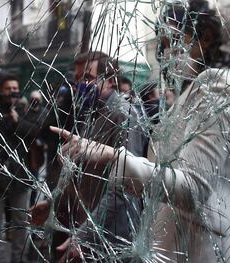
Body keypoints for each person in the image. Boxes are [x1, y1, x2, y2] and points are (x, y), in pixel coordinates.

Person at [50, 0, 230, 262]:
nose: (165, 55)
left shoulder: (218, 84)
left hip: (211, 250)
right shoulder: (191, 94)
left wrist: (113, 157)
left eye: (172, 42)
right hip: (181, 245)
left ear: (204, 38)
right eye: (163, 45)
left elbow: (193, 187)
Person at [30, 51, 148, 261]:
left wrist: (86, 236)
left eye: (86, 78)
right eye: (76, 79)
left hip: (110, 238)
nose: (79, 85)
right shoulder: (90, 113)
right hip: (85, 228)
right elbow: (77, 175)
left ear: (110, 81)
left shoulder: (123, 116)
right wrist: (52, 205)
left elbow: (123, 187)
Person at [0, 73, 41, 263]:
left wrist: (17, 121)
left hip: (21, 176)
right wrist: (6, 120)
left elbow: (34, 131)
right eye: (9, 89)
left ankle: (19, 259)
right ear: (1, 91)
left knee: (21, 223)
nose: (13, 92)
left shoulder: (22, 109)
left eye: (15, 88)